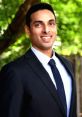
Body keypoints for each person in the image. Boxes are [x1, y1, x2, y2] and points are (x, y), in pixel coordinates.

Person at [0, 2, 77, 117]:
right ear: (27, 30)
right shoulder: (14, 72)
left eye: (51, 23)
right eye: (38, 25)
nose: (46, 30)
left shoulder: (67, 65)